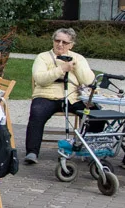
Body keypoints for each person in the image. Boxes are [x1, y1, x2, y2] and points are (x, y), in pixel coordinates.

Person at [24, 28, 99, 165]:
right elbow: (40, 79)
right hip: (47, 95)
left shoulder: (78, 58)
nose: (60, 44)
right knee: (37, 113)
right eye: (57, 41)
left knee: (97, 115)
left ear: (71, 45)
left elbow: (88, 81)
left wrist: (76, 67)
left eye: (65, 42)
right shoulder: (43, 57)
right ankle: (32, 152)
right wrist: (61, 69)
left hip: (72, 97)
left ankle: (89, 149)